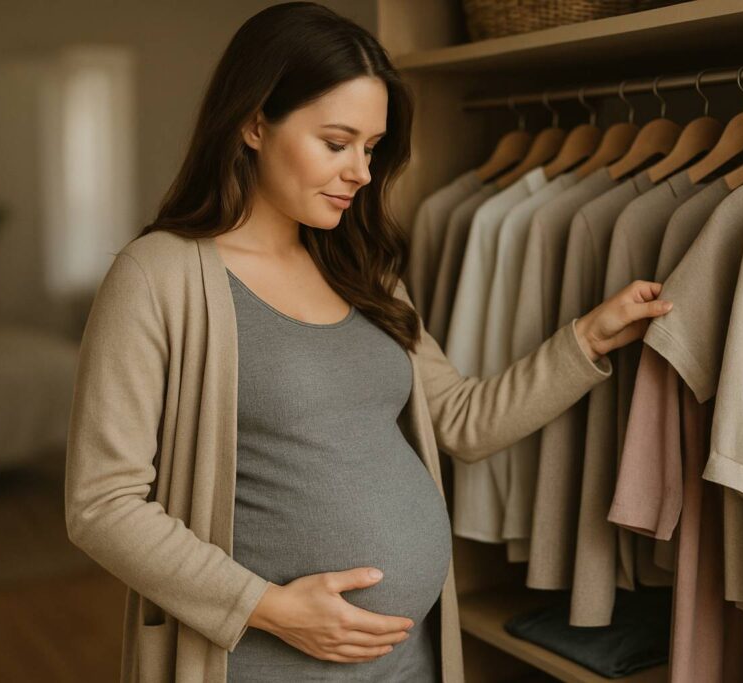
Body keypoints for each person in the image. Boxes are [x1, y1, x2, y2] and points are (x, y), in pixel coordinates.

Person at [63, 3, 674, 682]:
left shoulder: (362, 270)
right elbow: (102, 504)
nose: (360, 170)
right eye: (336, 142)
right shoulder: (159, 276)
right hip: (263, 663)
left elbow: (463, 420)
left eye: (371, 147)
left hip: (408, 661)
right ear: (255, 121)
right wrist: (268, 606)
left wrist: (588, 338)